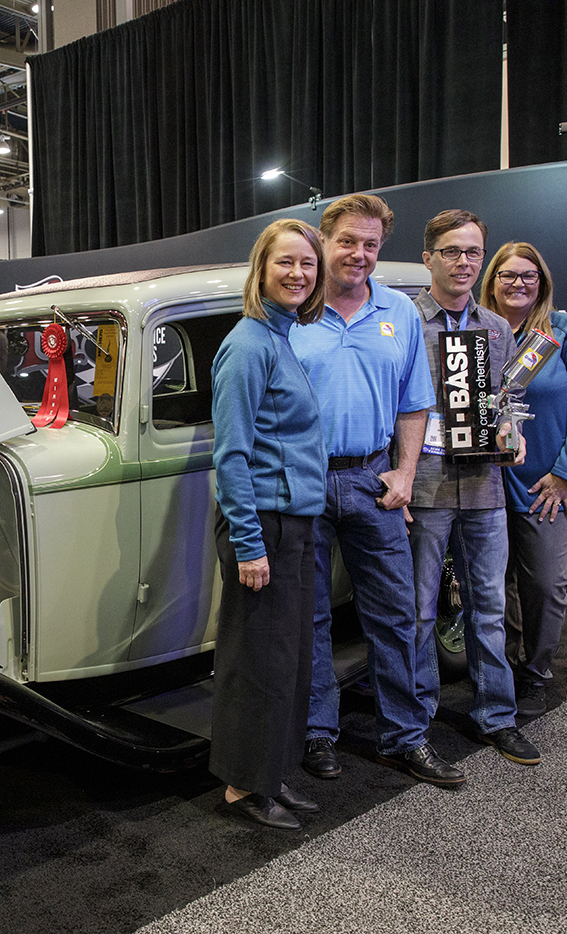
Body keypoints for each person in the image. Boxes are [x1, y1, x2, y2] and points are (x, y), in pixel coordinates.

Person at [290, 193, 464, 787]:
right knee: (310, 615)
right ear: (323, 240)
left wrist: (406, 473)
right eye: (347, 241)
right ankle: (317, 732)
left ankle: (405, 737)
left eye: (370, 244)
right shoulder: (292, 308)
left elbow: (416, 403)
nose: (358, 254)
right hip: (303, 481)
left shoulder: (399, 313)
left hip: (373, 479)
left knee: (394, 614)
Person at [406, 211, 540, 766]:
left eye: (473, 252)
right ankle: (414, 724)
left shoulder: (497, 328)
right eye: (452, 251)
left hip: (484, 486)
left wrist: (512, 435)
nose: (464, 262)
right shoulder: (405, 321)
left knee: (487, 605)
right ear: (429, 258)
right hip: (424, 487)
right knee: (418, 610)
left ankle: (497, 717)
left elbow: (506, 400)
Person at [210, 219, 329, 830]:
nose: (298, 273)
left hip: (291, 524)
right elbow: (231, 455)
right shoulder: (250, 345)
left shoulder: (280, 337)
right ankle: (243, 787)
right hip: (264, 526)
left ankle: (271, 773)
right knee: (257, 662)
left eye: (308, 263)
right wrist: (249, 543)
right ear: (260, 269)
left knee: (286, 660)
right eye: (285, 262)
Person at [482, 242, 567, 718]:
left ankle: (535, 673)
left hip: (545, 487)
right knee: (492, 586)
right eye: (508, 275)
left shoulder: (564, 332)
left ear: (542, 282)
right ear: (492, 280)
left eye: (528, 275)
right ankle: (497, 672)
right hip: (484, 482)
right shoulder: (475, 331)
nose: (518, 283)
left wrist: (565, 475)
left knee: (545, 585)